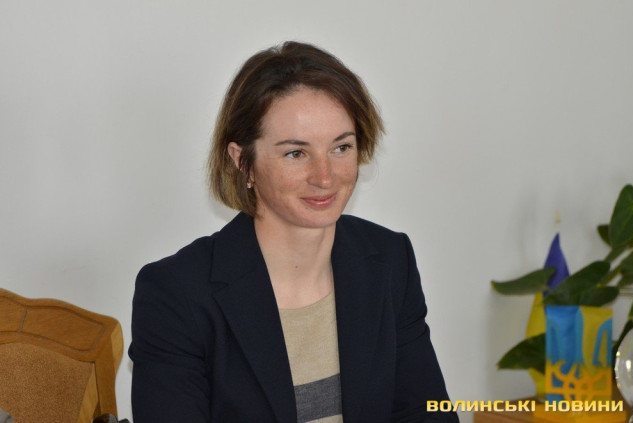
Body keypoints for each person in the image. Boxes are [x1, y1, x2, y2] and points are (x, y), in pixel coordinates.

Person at [129, 41, 458, 423]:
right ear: (242, 161)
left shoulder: (389, 259)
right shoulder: (176, 294)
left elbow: (425, 413)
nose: (325, 176)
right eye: (296, 153)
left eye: (341, 147)